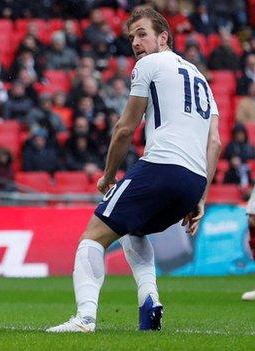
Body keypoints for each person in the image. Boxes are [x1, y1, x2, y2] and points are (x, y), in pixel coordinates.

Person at [48, 8, 221, 333]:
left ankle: (84, 319)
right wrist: (202, 196)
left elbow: (125, 128)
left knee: (92, 237)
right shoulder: (202, 80)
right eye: (131, 37)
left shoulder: (149, 65)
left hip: (161, 167)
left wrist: (109, 175)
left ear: (163, 37)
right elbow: (215, 143)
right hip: (193, 181)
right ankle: (149, 300)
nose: (136, 43)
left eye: (142, 34)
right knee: (132, 229)